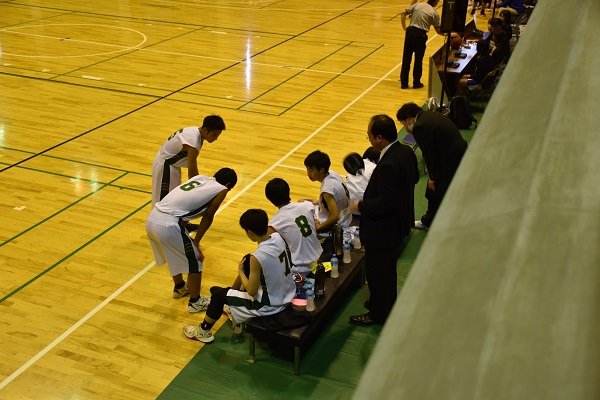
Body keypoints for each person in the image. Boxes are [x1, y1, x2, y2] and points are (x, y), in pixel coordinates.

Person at [183, 209, 296, 343]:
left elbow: (252, 291)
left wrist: (241, 271)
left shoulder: (258, 256)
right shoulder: (278, 237)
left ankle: (203, 331)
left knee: (217, 295)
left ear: (250, 233)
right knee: (245, 263)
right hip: (287, 293)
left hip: (269, 305)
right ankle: (234, 314)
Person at [348, 115, 419, 326]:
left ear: (379, 138)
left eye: (369, 135)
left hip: (382, 230)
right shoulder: (405, 151)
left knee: (378, 273)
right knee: (387, 271)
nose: (368, 139)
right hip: (397, 225)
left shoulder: (388, 163)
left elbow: (386, 203)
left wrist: (360, 206)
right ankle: (385, 304)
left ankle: (378, 314)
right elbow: (414, 178)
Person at [146, 168, 237, 312]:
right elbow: (208, 216)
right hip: (169, 224)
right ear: (228, 185)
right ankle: (195, 302)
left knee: (172, 253)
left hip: (152, 218)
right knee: (196, 259)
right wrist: (196, 242)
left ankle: (180, 288)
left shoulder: (200, 179)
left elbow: (185, 206)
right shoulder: (222, 189)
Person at [396, 103, 467, 230]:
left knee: (436, 189)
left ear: (409, 118)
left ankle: (437, 222)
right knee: (436, 190)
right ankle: (428, 220)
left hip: (450, 158)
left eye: (403, 123)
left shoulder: (420, 126)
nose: (405, 126)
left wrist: (433, 177)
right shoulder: (429, 116)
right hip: (456, 152)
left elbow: (429, 154)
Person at [151, 115, 225, 208]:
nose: (216, 138)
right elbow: (192, 174)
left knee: (172, 201)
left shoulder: (195, 131)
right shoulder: (193, 143)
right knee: (163, 203)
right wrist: (202, 191)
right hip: (165, 167)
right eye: (214, 134)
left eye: (218, 135)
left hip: (172, 166)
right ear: (205, 130)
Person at [265, 178, 322, 276]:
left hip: (301, 269)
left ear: (271, 200)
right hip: (320, 256)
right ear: (288, 191)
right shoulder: (307, 206)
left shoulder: (274, 223)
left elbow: (269, 248)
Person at [303, 150, 352, 234]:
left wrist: (319, 227)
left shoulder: (327, 190)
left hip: (339, 224)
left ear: (322, 170)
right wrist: (320, 202)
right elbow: (337, 197)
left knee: (302, 211)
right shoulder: (332, 174)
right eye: (307, 169)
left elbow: (335, 216)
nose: (308, 174)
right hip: (346, 216)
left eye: (311, 170)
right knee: (303, 202)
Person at [399, 0, 442, 89]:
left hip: (410, 33)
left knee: (406, 59)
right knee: (418, 60)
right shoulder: (434, 13)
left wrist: (405, 28)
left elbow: (403, 14)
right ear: (436, 2)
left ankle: (404, 83)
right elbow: (438, 31)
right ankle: (416, 83)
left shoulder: (417, 5)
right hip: (420, 36)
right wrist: (449, 34)